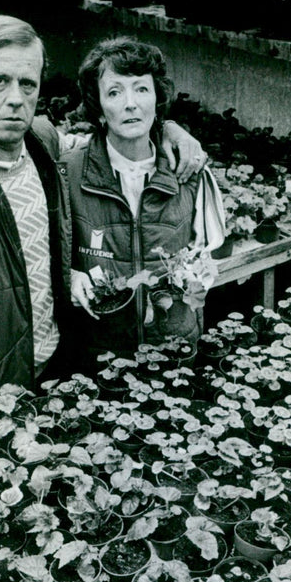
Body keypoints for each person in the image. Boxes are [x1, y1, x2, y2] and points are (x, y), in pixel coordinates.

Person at [0, 16, 206, 431]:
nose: (16, 98)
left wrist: (167, 130)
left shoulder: (39, 144)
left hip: (58, 374)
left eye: (28, 83)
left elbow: (104, 146)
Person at [65, 36, 225, 363]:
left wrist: (195, 276)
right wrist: (69, 274)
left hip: (173, 352)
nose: (130, 103)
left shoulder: (190, 172)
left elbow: (208, 254)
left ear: (156, 98)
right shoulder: (68, 172)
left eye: (141, 88)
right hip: (98, 356)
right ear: (97, 107)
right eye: (114, 92)